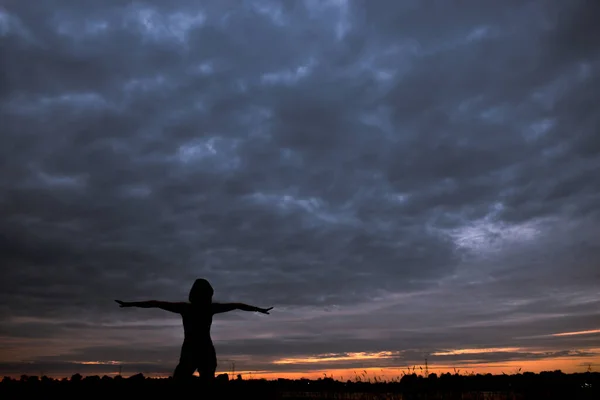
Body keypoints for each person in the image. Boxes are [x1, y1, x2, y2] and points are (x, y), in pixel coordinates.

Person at [115, 278, 272, 382]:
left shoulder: (187, 308)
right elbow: (238, 305)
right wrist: (259, 309)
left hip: (193, 349)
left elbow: (155, 303)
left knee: (190, 380)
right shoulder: (207, 308)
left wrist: (130, 304)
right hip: (201, 349)